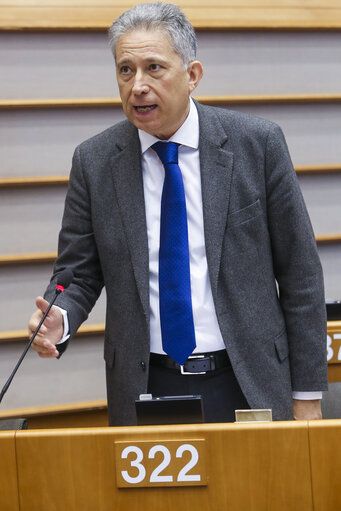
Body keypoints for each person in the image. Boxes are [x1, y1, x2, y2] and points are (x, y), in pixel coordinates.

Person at [28, 2, 328, 426]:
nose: (138, 86)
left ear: (192, 75)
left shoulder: (256, 145)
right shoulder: (95, 162)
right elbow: (76, 274)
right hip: (147, 383)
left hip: (248, 380)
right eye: (126, 70)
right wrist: (59, 317)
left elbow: (301, 274)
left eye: (154, 68)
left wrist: (307, 396)